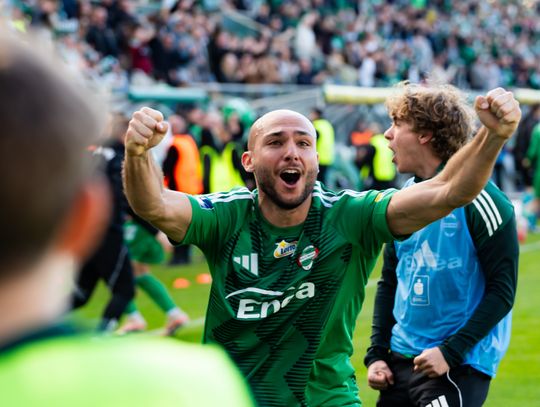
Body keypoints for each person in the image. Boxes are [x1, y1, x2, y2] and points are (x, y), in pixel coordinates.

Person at [123, 84, 521, 406]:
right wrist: (138, 153)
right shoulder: (226, 216)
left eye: (303, 143)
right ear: (249, 161)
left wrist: (493, 135)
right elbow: (153, 204)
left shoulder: (351, 216)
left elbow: (449, 190)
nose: (291, 152)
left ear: (315, 158)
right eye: (275, 142)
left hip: (326, 399)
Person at [0, 33, 254, 406]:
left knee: (124, 278)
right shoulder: (197, 385)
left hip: (184, 206)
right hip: (162, 215)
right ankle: (151, 317)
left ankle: (152, 316)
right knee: (127, 279)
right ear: (86, 218)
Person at [364, 83, 519, 407]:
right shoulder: (402, 200)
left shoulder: (484, 201)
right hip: (400, 363)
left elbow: (503, 291)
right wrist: (377, 354)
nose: (387, 135)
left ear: (425, 134)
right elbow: (390, 280)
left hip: (455, 365)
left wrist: (451, 351)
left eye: (397, 124)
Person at [71, 113, 136, 332]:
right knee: (125, 290)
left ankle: (30, 323)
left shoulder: (89, 152)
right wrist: (153, 227)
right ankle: (101, 336)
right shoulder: (115, 156)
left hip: (85, 230)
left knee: (81, 294)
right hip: (108, 232)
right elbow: (121, 195)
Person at [119, 213, 189, 335]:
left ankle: (134, 318)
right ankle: (174, 314)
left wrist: (157, 233)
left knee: (118, 276)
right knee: (139, 273)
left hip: (137, 228)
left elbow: (130, 207)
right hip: (142, 228)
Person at [162, 114, 203, 265]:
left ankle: (178, 258)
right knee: (189, 225)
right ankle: (185, 257)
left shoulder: (175, 144)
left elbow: (167, 168)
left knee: (177, 226)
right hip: (193, 189)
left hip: (178, 190)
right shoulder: (189, 141)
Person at [310, 107, 335, 184]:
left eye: (312, 114)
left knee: (317, 181)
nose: (310, 116)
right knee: (324, 180)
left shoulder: (316, 125)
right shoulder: (327, 125)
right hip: (328, 157)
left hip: (319, 158)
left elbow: (313, 141)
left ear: (316, 115)